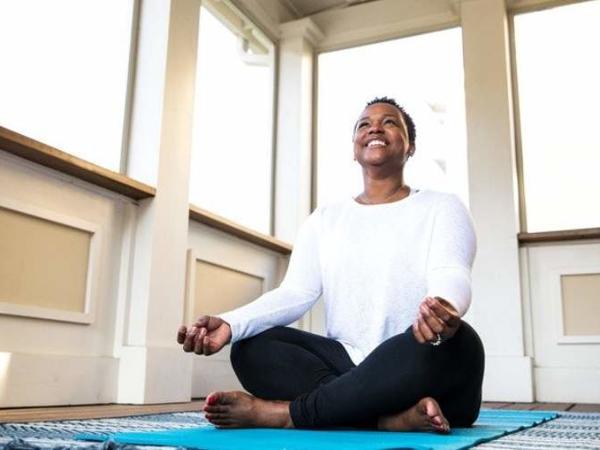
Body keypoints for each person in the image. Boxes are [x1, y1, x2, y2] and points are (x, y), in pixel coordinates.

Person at [177, 97, 485, 433]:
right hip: (347, 365)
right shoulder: (325, 219)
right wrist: (232, 324)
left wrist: (443, 308)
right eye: (364, 124)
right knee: (251, 347)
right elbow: (296, 292)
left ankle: (286, 414)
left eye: (390, 122)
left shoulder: (442, 206)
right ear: (355, 149)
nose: (375, 128)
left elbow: (451, 271)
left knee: (457, 342)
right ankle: (386, 420)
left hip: (418, 355)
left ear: (409, 146)